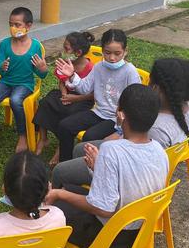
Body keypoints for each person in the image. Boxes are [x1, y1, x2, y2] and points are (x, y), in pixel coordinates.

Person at [45, 84, 168, 248]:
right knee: (71, 190)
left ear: (120, 115)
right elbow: (128, 188)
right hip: (139, 234)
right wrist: (98, 169)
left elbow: (102, 208)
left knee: (54, 209)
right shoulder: (159, 151)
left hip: (110, 239)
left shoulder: (112, 150)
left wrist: (59, 194)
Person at [51, 58, 189, 191]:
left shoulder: (156, 129)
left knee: (59, 171)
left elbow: (131, 164)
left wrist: (108, 147)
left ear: (156, 89)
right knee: (80, 149)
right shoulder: (186, 108)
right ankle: (77, 190)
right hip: (130, 156)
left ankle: (62, 201)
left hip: (123, 173)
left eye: (150, 82)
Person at [52, 29, 141, 162]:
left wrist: (122, 120)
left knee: (90, 136)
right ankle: (66, 163)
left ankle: (88, 168)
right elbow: (84, 88)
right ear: (102, 50)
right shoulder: (99, 67)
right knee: (64, 126)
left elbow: (136, 100)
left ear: (125, 51)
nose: (112, 58)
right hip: (98, 112)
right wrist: (71, 75)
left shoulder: (130, 71)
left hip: (114, 119)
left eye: (117, 53)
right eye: (107, 53)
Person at [0, 7, 48, 152]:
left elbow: (42, 74)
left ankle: (22, 135)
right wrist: (2, 66)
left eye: (17, 25)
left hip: (25, 84)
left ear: (28, 26)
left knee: (16, 100)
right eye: (10, 24)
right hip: (6, 82)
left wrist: (43, 68)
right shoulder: (5, 44)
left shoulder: (35, 46)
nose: (13, 28)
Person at [33, 31, 96, 164]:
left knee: (69, 113)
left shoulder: (91, 69)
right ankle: (43, 138)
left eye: (66, 49)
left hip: (83, 100)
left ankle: (61, 147)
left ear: (78, 53)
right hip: (66, 95)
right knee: (46, 102)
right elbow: (62, 81)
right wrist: (64, 94)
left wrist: (74, 98)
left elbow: (93, 94)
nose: (63, 51)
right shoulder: (66, 63)